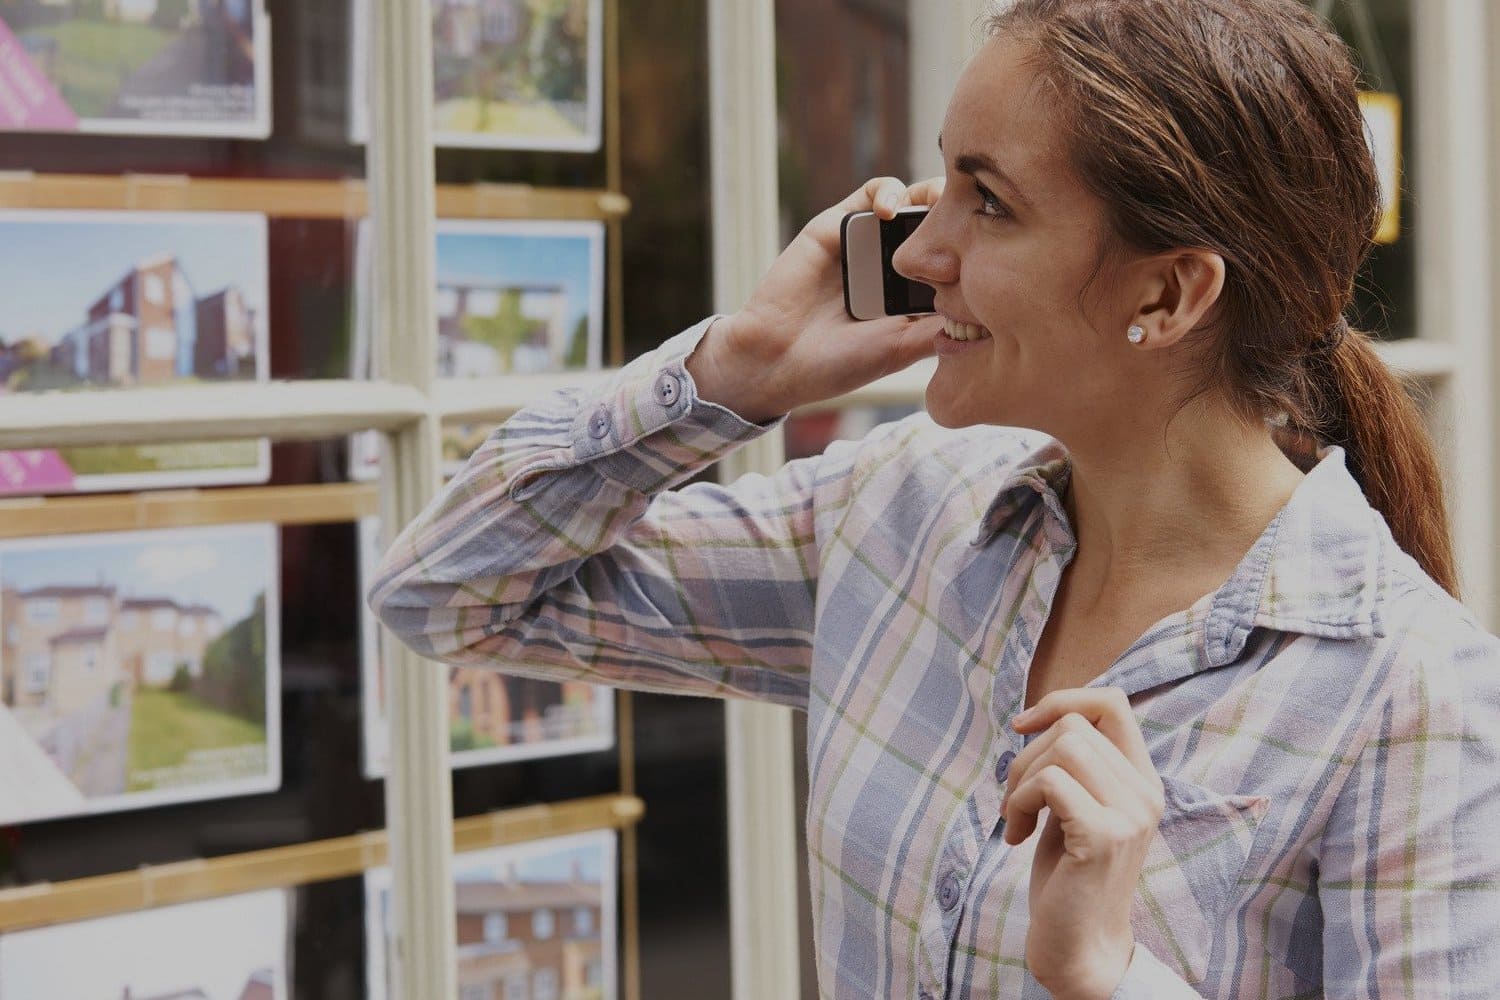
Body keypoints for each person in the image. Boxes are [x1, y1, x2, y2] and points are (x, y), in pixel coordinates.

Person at [369, 0, 1500, 996]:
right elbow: (450, 593)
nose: (919, 252)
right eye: (941, 179)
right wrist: (727, 376)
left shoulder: (1405, 693)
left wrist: (1111, 975)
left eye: (989, 203)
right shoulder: (900, 510)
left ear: (1168, 290)